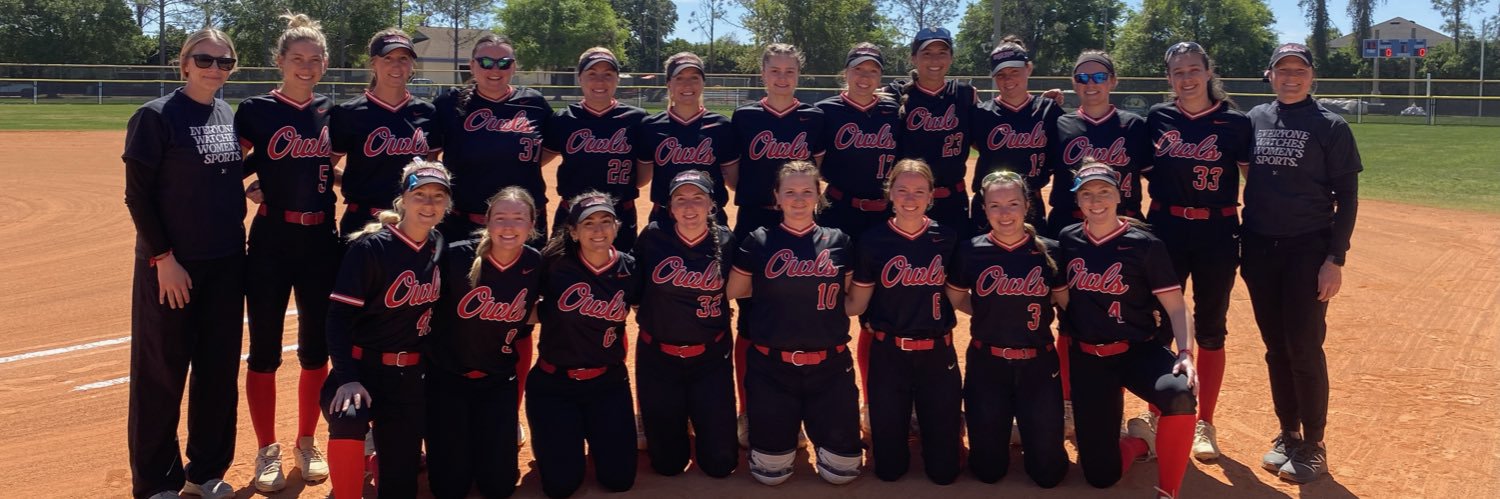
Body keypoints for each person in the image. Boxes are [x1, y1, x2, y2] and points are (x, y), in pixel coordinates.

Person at [123, 27, 245, 499]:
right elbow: (138, 196)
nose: (215, 68)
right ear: (185, 63)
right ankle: (157, 482)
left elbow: (218, 172)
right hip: (172, 265)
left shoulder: (225, 112)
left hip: (226, 262)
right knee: (161, 373)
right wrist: (162, 258)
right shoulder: (156, 117)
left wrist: (249, 184)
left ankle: (206, 473)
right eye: (205, 59)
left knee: (217, 371)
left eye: (225, 61)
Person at [1243, 42, 1361, 484]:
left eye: (1300, 70)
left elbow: (1347, 197)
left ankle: (1314, 444)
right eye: (1282, 69)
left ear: (1312, 76)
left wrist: (1335, 258)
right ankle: (1288, 434)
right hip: (1258, 248)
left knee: (1305, 347)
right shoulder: (1254, 119)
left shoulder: (1330, 126)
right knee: (1276, 348)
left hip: (1307, 249)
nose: (1291, 76)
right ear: (1269, 74)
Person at [234, 13, 336, 493]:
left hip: (321, 240)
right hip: (272, 238)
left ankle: (306, 440)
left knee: (317, 349)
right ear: (279, 61)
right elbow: (227, 166)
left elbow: (325, 167)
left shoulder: (330, 112)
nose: (306, 67)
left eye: (315, 60)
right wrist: (254, 183)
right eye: (297, 58)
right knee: (265, 351)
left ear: (325, 64)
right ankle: (266, 450)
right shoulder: (256, 109)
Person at [1058, 161, 1197, 499]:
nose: (1096, 200)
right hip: (1089, 358)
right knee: (1100, 476)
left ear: (1119, 195)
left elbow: (1177, 307)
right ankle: (1137, 442)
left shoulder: (1145, 244)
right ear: (1077, 200)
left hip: (1138, 351)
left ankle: (1169, 492)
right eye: (1087, 194)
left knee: (1178, 392)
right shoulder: (1067, 240)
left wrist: (1185, 353)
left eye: (1104, 191)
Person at [1146, 41, 1254, 462]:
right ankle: (1158, 412)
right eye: (1177, 71)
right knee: (1158, 323)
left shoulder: (1235, 122)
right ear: (1169, 78)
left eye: (1194, 69)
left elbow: (1257, 179)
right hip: (1166, 228)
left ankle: (1204, 422)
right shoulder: (1158, 117)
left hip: (1216, 228)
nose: (1186, 77)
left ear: (1208, 72)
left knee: (1210, 326)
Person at [726, 161, 863, 487]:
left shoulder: (839, 241)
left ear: (818, 195)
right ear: (776, 197)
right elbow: (734, 290)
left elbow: (852, 299)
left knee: (841, 473)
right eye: (790, 192)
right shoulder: (758, 241)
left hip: (829, 368)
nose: (798, 199)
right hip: (772, 369)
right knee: (771, 475)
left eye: (806, 191)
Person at [320, 161, 451, 499]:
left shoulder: (438, 245)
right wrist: (347, 377)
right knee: (350, 415)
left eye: (438, 196)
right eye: (419, 194)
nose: (429, 203)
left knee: (401, 489)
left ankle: (379, 457)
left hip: (408, 378)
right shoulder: (371, 248)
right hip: (362, 369)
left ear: (447, 205)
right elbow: (337, 319)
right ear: (403, 199)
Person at [728, 42, 825, 447]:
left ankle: (797, 408)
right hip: (757, 221)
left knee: (800, 308)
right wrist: (763, 200)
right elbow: (733, 174)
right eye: (775, 70)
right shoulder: (745, 117)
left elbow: (815, 173)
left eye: (790, 70)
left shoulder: (813, 117)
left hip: (800, 223)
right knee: (751, 314)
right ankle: (750, 409)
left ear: (798, 75)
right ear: (763, 73)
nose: (782, 77)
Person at [946, 170, 1068, 487]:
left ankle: (1025, 424)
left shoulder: (1049, 251)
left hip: (1039, 364)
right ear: (983, 209)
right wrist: (989, 310)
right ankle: (1005, 425)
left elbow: (1065, 301)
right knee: (988, 471)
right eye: (994, 205)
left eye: (1013, 203)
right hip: (988, 362)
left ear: (1027, 206)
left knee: (1048, 474)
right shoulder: (971, 250)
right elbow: (956, 297)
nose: (1004, 213)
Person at [845, 160, 961, 484]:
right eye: (903, 190)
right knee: (889, 470)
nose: (911, 198)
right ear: (890, 194)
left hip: (938, 354)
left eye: (919, 191)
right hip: (889, 354)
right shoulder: (872, 241)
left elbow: (957, 297)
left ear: (930, 197)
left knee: (944, 472)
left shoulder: (947, 238)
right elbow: (857, 304)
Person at [425, 187, 543, 498]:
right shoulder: (455, 256)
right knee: (448, 489)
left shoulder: (535, 264)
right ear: (487, 222)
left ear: (532, 224)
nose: (508, 226)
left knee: (499, 487)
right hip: (446, 381)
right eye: (500, 217)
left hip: (497, 384)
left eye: (518, 218)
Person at [527, 192, 640, 498]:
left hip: (608, 383)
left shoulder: (629, 268)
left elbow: (654, 310)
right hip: (555, 385)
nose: (599, 230)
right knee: (560, 485)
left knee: (619, 480)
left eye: (606, 221)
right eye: (588, 223)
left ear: (617, 227)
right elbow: (516, 301)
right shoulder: (552, 265)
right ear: (573, 231)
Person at [633, 170, 739, 478]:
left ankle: (695, 413)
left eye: (698, 198)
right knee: (667, 465)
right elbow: (637, 294)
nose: (689, 207)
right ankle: (675, 413)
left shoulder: (726, 240)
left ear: (711, 205)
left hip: (710, 358)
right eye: (681, 199)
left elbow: (740, 289)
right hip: (659, 357)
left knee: (721, 465)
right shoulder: (653, 237)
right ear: (670, 206)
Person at [431, 33, 552, 246]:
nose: (495, 69)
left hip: (524, 225)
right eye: (486, 62)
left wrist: (514, 160)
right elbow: (429, 157)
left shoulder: (534, 103)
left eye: (504, 63)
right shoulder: (449, 103)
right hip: (463, 223)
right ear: (472, 66)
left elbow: (551, 148)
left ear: (514, 67)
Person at [330, 28, 439, 236]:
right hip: (362, 221)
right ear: (373, 63)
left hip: (412, 222)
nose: (396, 65)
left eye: (403, 58)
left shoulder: (427, 112)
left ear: (411, 64)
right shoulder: (349, 113)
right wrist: (356, 181)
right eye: (388, 57)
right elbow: (324, 166)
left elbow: (430, 167)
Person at [541, 48, 648, 252]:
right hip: (572, 214)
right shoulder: (563, 119)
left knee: (620, 276)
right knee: (559, 274)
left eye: (608, 74)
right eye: (592, 74)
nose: (600, 81)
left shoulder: (637, 119)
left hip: (619, 214)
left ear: (617, 79)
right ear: (580, 78)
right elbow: (536, 161)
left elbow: (643, 175)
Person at [1050, 50, 1152, 237]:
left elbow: (1156, 176)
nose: (1090, 83)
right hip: (1070, 227)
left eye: (1099, 77)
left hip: (1125, 225)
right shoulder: (1060, 125)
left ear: (1113, 81)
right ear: (1074, 83)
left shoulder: (1134, 125)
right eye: (1082, 78)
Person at [969, 36, 1062, 234]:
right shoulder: (981, 113)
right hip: (989, 204)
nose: (1008, 79)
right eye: (1001, 74)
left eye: (1014, 71)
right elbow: (974, 143)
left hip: (1031, 204)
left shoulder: (1048, 111)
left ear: (1028, 68)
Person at [884, 28, 974, 233]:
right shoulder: (895, 95)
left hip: (952, 200)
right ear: (913, 58)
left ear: (951, 58)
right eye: (926, 53)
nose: (935, 59)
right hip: (909, 201)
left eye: (942, 53)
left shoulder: (964, 94)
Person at [635, 52, 739, 226]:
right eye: (679, 78)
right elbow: (641, 180)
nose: (687, 84)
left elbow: (733, 182)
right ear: (668, 83)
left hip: (711, 219)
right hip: (665, 219)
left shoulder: (721, 126)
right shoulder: (651, 126)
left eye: (694, 78)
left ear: (703, 83)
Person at [816, 43, 901, 241]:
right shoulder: (824, 111)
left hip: (885, 212)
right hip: (838, 209)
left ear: (880, 77)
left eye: (873, 71)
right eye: (858, 69)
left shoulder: (895, 111)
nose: (865, 77)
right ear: (846, 72)